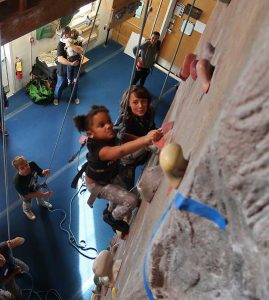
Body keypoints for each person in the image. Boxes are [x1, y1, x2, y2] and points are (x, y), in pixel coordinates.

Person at [73, 105, 162, 228]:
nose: (109, 125)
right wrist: (145, 140)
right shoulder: (99, 150)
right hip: (97, 185)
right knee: (132, 201)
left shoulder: (110, 132)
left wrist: (147, 143)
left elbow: (124, 136)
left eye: (108, 121)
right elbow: (120, 151)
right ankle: (112, 217)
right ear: (90, 134)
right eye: (101, 125)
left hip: (109, 173)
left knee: (122, 190)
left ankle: (111, 207)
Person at [115, 85, 157, 187]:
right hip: (126, 162)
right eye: (135, 102)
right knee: (126, 191)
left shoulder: (148, 113)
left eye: (143, 101)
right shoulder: (123, 122)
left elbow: (152, 128)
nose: (141, 106)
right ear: (128, 104)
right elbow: (118, 141)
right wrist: (144, 141)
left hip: (144, 152)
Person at [12, 156, 53, 220]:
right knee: (27, 201)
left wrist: (44, 172)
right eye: (22, 168)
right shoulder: (18, 182)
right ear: (18, 170)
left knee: (39, 191)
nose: (26, 168)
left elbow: (41, 173)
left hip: (34, 184)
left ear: (27, 162)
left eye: (26, 165)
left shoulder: (32, 164)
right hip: (25, 192)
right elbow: (28, 194)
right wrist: (44, 195)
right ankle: (26, 210)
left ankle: (41, 202)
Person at [53, 26, 83, 106]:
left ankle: (74, 97)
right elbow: (60, 59)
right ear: (63, 35)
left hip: (74, 68)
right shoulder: (60, 44)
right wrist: (70, 64)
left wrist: (71, 45)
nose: (68, 35)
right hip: (63, 68)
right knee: (59, 84)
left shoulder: (76, 40)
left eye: (69, 33)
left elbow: (80, 51)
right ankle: (56, 98)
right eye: (66, 34)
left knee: (75, 84)